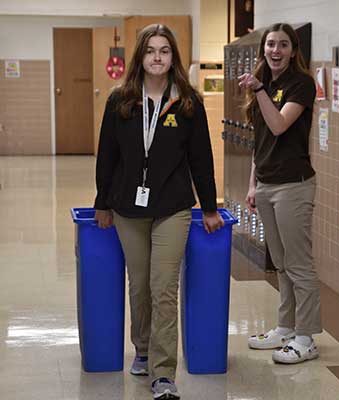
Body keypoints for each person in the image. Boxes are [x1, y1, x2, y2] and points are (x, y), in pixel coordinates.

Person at [94, 24, 224, 399]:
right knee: (140, 285)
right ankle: (143, 348)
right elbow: (107, 156)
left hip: (173, 207)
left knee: (164, 287)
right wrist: (102, 202)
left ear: (173, 57)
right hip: (127, 208)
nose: (157, 57)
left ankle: (163, 373)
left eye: (164, 51)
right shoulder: (121, 100)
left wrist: (210, 207)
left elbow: (201, 158)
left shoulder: (187, 102)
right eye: (150, 50)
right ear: (140, 56)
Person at [238, 22, 321, 364]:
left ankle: (306, 337)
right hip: (267, 184)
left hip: (293, 185)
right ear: (264, 49)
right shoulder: (266, 83)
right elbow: (260, 140)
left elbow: (278, 125)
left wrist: (258, 89)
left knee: (299, 264)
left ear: (293, 50)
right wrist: (252, 183)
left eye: (283, 44)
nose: (276, 50)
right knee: (282, 264)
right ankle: (286, 327)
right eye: (271, 44)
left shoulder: (301, 83)